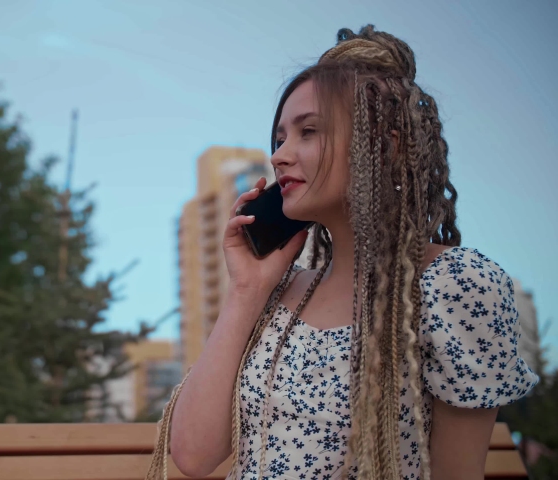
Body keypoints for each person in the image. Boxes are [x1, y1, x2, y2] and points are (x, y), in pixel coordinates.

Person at [146, 25, 538, 480]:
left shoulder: (454, 285)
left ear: (385, 144)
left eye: (307, 132)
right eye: (279, 139)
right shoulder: (282, 289)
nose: (279, 156)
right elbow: (194, 457)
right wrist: (246, 290)